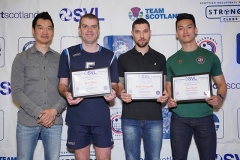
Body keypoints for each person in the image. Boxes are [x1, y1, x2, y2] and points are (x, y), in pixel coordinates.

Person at [58, 13, 118, 160]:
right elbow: (62, 85)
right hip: (77, 118)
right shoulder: (67, 54)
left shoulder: (110, 56)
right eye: (85, 26)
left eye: (93, 26)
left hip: (101, 118)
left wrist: (113, 92)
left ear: (98, 30)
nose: (89, 30)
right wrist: (66, 94)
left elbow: (115, 85)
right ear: (79, 30)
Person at [166, 13, 227, 160]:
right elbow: (168, 87)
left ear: (196, 30)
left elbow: (222, 84)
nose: (185, 31)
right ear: (176, 33)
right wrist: (170, 99)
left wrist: (220, 97)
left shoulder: (211, 57)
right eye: (181, 28)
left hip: (205, 118)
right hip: (179, 119)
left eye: (189, 27)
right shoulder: (171, 60)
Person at [11, 12, 66, 160]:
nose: (45, 32)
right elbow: (16, 91)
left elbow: (67, 90)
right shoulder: (21, 58)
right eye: (41, 28)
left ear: (53, 31)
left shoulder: (61, 59)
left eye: (49, 28)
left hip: (54, 122)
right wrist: (40, 113)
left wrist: (54, 111)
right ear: (33, 30)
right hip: (27, 122)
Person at [117, 18, 169, 160]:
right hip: (130, 118)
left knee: (154, 158)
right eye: (138, 32)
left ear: (150, 33)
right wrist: (120, 92)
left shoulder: (160, 58)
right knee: (131, 158)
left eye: (145, 31)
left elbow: (164, 85)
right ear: (132, 34)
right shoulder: (123, 58)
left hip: (154, 118)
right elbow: (119, 84)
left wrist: (165, 94)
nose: (141, 36)